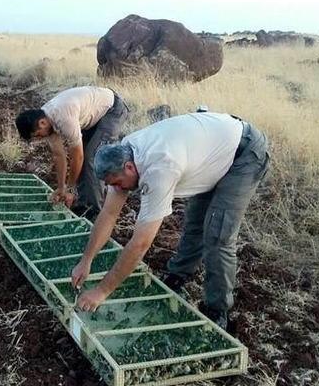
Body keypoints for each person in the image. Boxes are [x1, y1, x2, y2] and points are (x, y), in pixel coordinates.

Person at [70, 112, 270, 329]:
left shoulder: (159, 170)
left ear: (128, 167)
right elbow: (108, 214)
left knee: (217, 235)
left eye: (118, 183)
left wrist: (101, 291)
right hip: (209, 151)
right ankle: (177, 276)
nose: (118, 189)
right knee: (195, 223)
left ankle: (217, 309)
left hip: (243, 155)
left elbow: (140, 243)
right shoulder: (124, 152)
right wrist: (86, 260)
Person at [15, 86, 129, 218]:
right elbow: (59, 155)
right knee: (85, 156)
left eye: (37, 135)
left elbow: (78, 157)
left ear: (42, 123)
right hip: (92, 114)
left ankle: (93, 212)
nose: (39, 138)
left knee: (92, 158)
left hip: (112, 110)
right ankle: (82, 202)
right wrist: (61, 188)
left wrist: (70, 188)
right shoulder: (47, 122)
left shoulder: (63, 118)